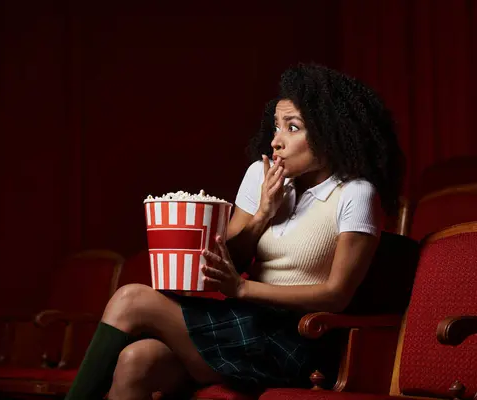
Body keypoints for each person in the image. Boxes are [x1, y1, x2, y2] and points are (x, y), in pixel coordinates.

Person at [65, 63, 404, 400]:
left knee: (131, 299)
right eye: (276, 127)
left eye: (292, 127)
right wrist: (261, 215)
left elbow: (336, 294)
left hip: (296, 338)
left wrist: (242, 289)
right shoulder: (262, 175)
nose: (276, 141)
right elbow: (230, 261)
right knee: (135, 361)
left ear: (331, 133)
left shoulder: (356, 194)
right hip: (242, 320)